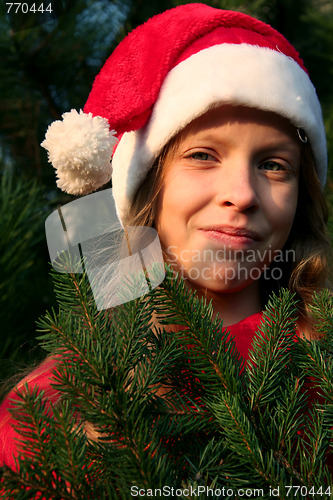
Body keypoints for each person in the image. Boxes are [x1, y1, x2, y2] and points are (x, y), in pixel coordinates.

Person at [0, 2, 330, 473]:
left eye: (274, 165)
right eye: (202, 156)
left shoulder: (323, 370)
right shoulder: (49, 410)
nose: (241, 195)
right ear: (145, 188)